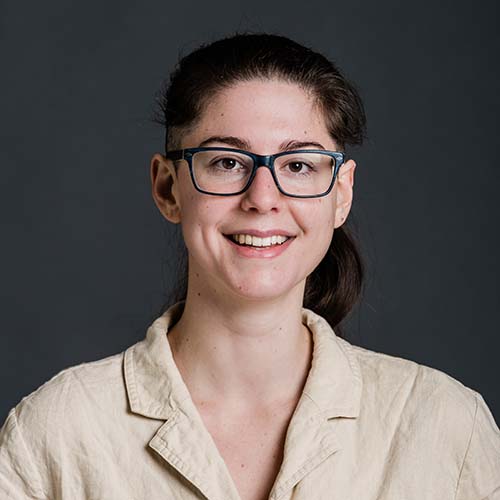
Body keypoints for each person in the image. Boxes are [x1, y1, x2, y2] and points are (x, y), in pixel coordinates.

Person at [1, 32, 499, 500]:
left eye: (299, 165)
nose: (263, 199)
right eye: (226, 162)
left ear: (341, 194)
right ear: (168, 188)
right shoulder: (56, 433)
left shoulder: (445, 426)